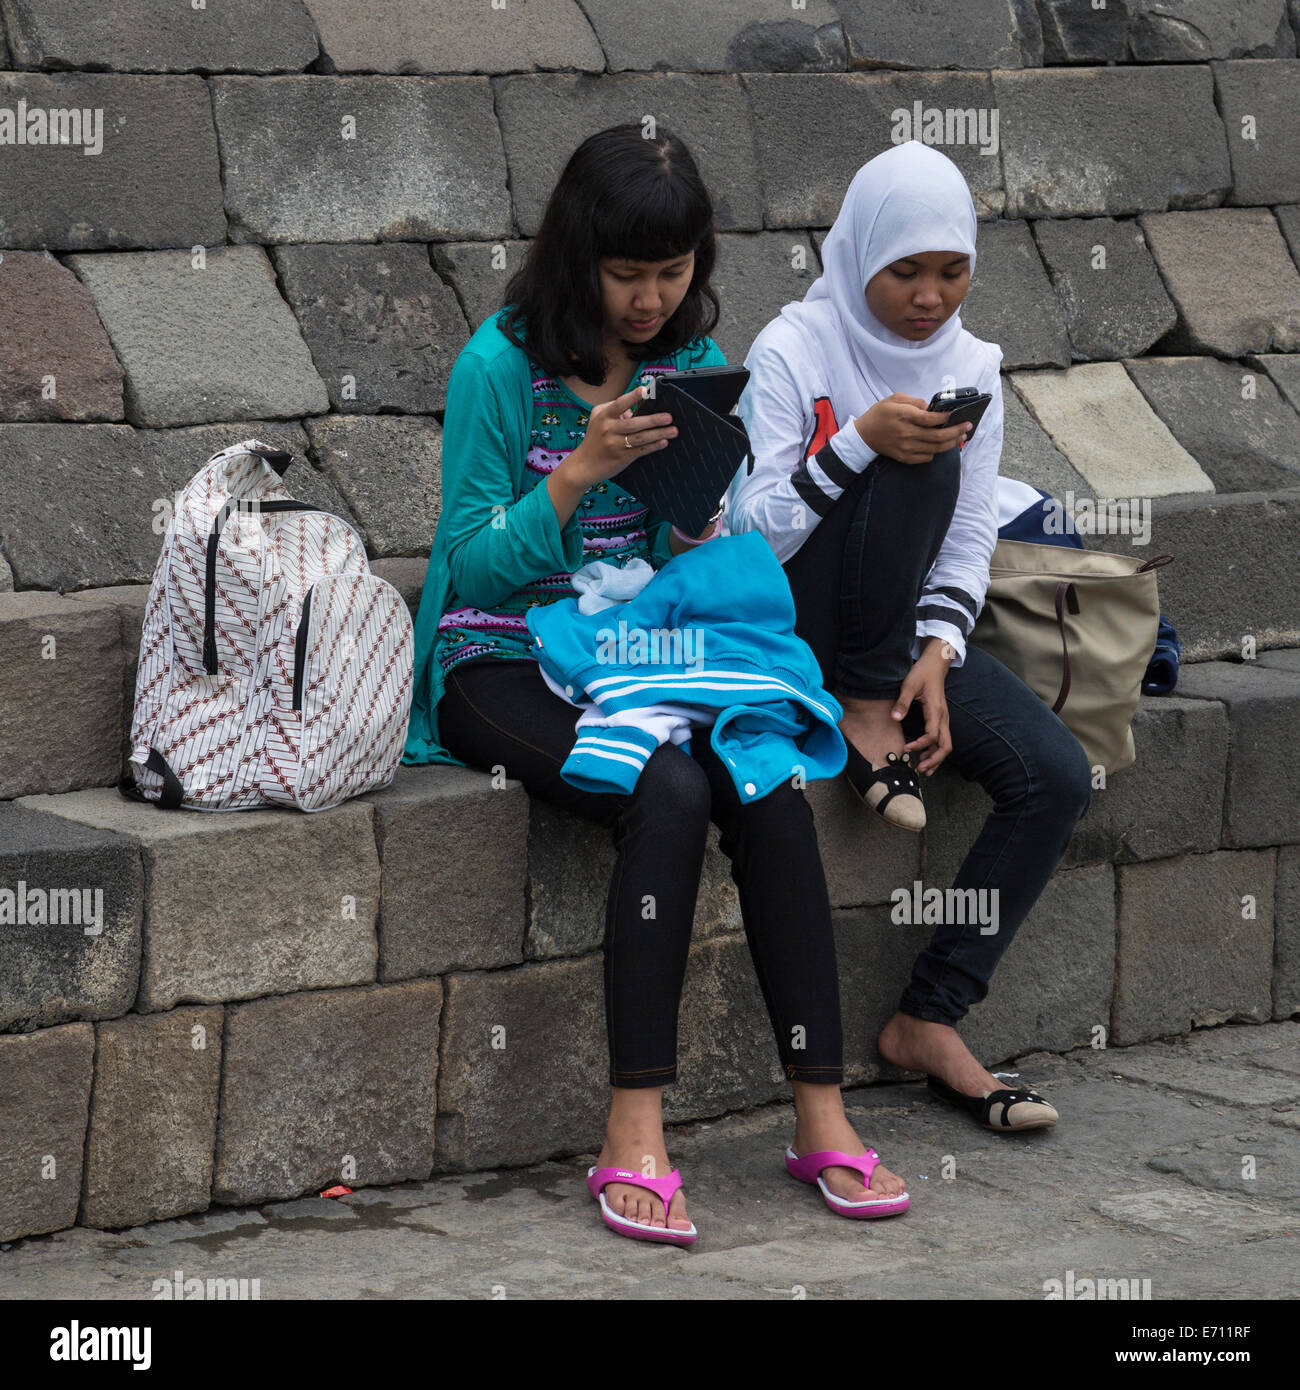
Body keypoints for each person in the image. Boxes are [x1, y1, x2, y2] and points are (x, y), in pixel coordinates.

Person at [402, 125, 909, 1243]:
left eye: (670, 274)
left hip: (640, 643)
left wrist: (691, 513)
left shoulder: (687, 362)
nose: (647, 299)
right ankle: (633, 1128)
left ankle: (819, 1112)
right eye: (626, 274)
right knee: (666, 789)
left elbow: (684, 550)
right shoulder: (499, 365)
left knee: (764, 775)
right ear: (576, 255)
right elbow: (467, 565)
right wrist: (580, 469)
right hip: (498, 652)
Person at [727, 140, 1094, 1132]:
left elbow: (972, 530)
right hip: (793, 626)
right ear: (858, 261)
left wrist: (936, 652)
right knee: (917, 457)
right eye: (905, 273)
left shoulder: (973, 365)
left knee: (1052, 772)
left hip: (900, 650)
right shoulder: (791, 347)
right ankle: (853, 702)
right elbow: (749, 534)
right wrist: (856, 443)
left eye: (951, 272)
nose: (929, 297)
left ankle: (928, 1018)